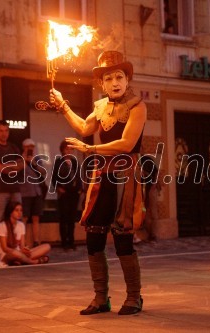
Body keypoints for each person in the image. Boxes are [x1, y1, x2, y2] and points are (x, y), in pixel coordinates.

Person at [50, 50, 147, 315]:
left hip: (125, 176)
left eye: (119, 76)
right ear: (101, 84)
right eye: (109, 78)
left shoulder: (138, 106)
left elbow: (127, 144)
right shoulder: (100, 106)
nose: (115, 83)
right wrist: (63, 106)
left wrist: (89, 150)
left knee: (123, 238)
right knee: (94, 237)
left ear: (127, 80)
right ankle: (101, 298)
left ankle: (134, 298)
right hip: (102, 175)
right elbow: (83, 128)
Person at [0, 120, 25, 255]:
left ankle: (17, 250)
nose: (4, 134)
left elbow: (22, 165)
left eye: (6, 131)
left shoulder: (14, 148)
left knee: (17, 219)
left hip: (14, 188)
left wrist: (6, 167)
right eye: (1, 131)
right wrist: (12, 167)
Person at [51, 140, 82, 251]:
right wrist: (58, 188)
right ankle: (64, 242)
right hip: (63, 193)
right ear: (62, 150)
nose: (69, 151)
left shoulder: (75, 161)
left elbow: (79, 177)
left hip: (74, 193)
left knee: (71, 219)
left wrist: (79, 189)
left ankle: (71, 241)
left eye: (71, 149)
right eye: (67, 149)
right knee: (63, 218)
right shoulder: (58, 162)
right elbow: (54, 178)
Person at [20, 138, 47, 247]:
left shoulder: (37, 159)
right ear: (24, 147)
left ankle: (36, 241)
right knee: (24, 218)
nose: (30, 149)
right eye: (27, 147)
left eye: (32, 146)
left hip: (37, 191)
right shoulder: (20, 158)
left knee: (36, 217)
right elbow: (16, 171)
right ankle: (23, 243)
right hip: (24, 192)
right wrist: (23, 160)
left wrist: (34, 163)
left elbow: (43, 172)